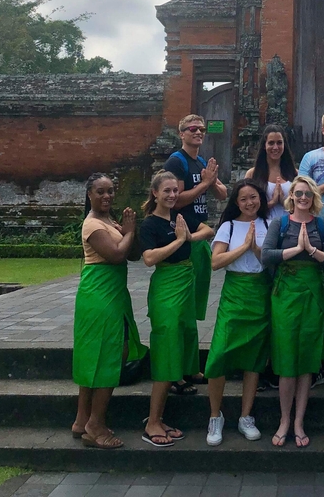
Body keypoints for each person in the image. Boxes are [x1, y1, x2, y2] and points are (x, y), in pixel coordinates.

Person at [262, 175, 324, 448]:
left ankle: (299, 421)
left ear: (314, 197)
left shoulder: (322, 225)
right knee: (286, 359)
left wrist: (312, 251)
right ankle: (284, 419)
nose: (303, 198)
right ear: (291, 196)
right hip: (285, 294)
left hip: (312, 296)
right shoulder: (280, 223)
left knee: (307, 359)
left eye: (308, 194)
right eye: (299, 193)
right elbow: (266, 255)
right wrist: (296, 249)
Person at [72, 173, 144, 450]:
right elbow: (115, 255)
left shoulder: (109, 222)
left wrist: (129, 231)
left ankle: (82, 420)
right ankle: (95, 426)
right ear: (89, 195)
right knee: (109, 355)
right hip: (99, 295)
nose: (107, 196)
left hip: (111, 294)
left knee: (99, 354)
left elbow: (133, 254)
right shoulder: (92, 224)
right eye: (100, 192)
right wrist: (128, 232)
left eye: (110, 191)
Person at [139, 171, 208, 447]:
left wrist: (189, 237)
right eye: (166, 191)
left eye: (175, 191)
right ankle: (152, 422)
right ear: (154, 193)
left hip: (184, 285)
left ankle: (159, 417)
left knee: (182, 337)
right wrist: (179, 241)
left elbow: (209, 229)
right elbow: (148, 258)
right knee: (166, 349)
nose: (171, 195)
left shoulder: (179, 218)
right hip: (166, 287)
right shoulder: (150, 225)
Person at [204, 180, 271, 446]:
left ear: (260, 199)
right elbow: (216, 262)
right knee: (219, 354)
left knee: (254, 359)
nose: (249, 203)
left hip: (259, 294)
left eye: (253, 197)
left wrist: (255, 247)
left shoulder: (269, 224)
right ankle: (214, 415)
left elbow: (272, 262)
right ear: (236, 202)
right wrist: (243, 247)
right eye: (243, 199)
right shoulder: (228, 227)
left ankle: (246, 416)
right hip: (234, 294)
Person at [164, 114, 226, 391]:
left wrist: (211, 180)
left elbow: (223, 194)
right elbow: (174, 199)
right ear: (181, 133)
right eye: (193, 128)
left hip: (199, 237)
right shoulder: (176, 161)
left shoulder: (201, 162)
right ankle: (175, 372)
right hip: (182, 238)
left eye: (201, 129)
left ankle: (190, 368)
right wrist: (203, 184)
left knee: (192, 311)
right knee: (180, 312)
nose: (198, 132)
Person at [246, 123, 297, 220]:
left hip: (290, 228)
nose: (275, 147)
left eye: (279, 143)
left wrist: (284, 202)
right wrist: (272, 203)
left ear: (284, 145)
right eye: (271, 143)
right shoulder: (252, 174)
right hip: (262, 228)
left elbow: (303, 207)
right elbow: (247, 207)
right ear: (264, 146)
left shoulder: (295, 174)